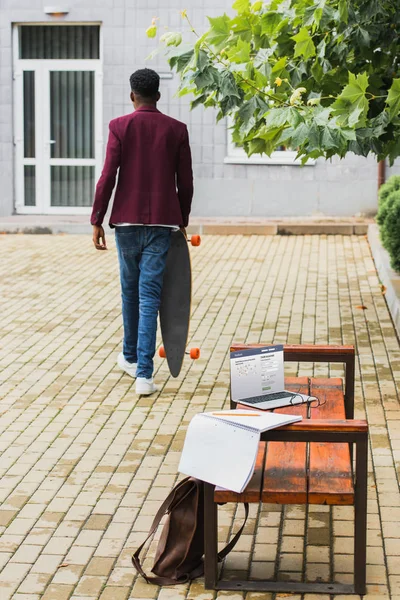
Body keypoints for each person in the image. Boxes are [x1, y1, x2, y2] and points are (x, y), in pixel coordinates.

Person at [91, 68, 193, 395]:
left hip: (125, 223)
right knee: (150, 296)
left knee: (130, 292)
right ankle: (143, 373)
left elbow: (107, 177)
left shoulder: (119, 127)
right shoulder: (177, 130)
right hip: (163, 224)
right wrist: (182, 218)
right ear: (158, 96)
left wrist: (97, 218)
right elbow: (186, 183)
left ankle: (132, 358)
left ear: (132, 95)